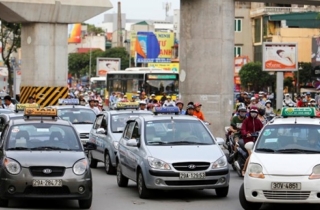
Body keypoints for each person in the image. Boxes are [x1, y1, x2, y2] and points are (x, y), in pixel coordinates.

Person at [241, 106, 263, 176]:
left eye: (255, 112)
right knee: (251, 155)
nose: (254, 114)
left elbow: (262, 130)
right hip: (248, 141)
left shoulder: (258, 121)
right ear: (250, 113)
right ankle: (244, 169)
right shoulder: (246, 121)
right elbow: (243, 129)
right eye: (252, 112)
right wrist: (246, 134)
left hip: (257, 142)